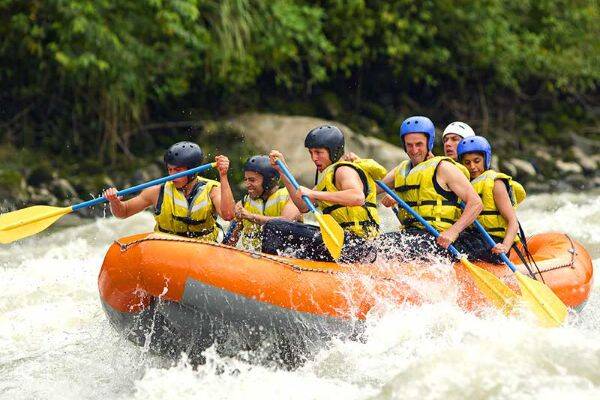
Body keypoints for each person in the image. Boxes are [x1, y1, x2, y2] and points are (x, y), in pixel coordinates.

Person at [264, 125, 387, 262]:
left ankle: (270, 268)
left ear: (334, 152)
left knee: (275, 227)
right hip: (344, 242)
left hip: (357, 244)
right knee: (287, 234)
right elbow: (303, 206)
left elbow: (357, 197)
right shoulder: (328, 179)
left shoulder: (343, 170)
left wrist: (314, 194)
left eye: (318, 152)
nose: (314, 158)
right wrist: (283, 171)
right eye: (311, 153)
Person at [377, 116, 484, 260]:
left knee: (389, 249)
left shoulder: (444, 167)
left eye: (419, 144)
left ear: (429, 142)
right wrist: (354, 169)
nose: (414, 150)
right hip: (410, 234)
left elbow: (476, 203)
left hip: (437, 238)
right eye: (409, 145)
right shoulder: (402, 169)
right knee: (376, 244)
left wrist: (453, 232)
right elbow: (373, 187)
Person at [103, 141, 235, 241]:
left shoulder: (212, 190)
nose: (172, 175)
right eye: (170, 170)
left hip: (203, 250)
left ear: (192, 171)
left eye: (177, 170)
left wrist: (223, 176)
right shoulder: (156, 191)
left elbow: (228, 215)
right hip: (166, 251)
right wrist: (114, 201)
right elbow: (124, 212)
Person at [457, 136, 527, 263]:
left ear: (486, 159)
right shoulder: (463, 184)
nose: (472, 166)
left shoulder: (496, 183)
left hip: (493, 242)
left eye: (477, 161)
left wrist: (505, 246)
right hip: (472, 238)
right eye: (467, 163)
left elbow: (513, 221)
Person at [224, 155, 298, 251]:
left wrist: (251, 216)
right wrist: (237, 222)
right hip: (251, 258)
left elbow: (285, 222)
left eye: (252, 180)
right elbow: (230, 243)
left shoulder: (292, 197)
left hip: (285, 258)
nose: (247, 184)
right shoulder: (244, 203)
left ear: (268, 181)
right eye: (246, 179)